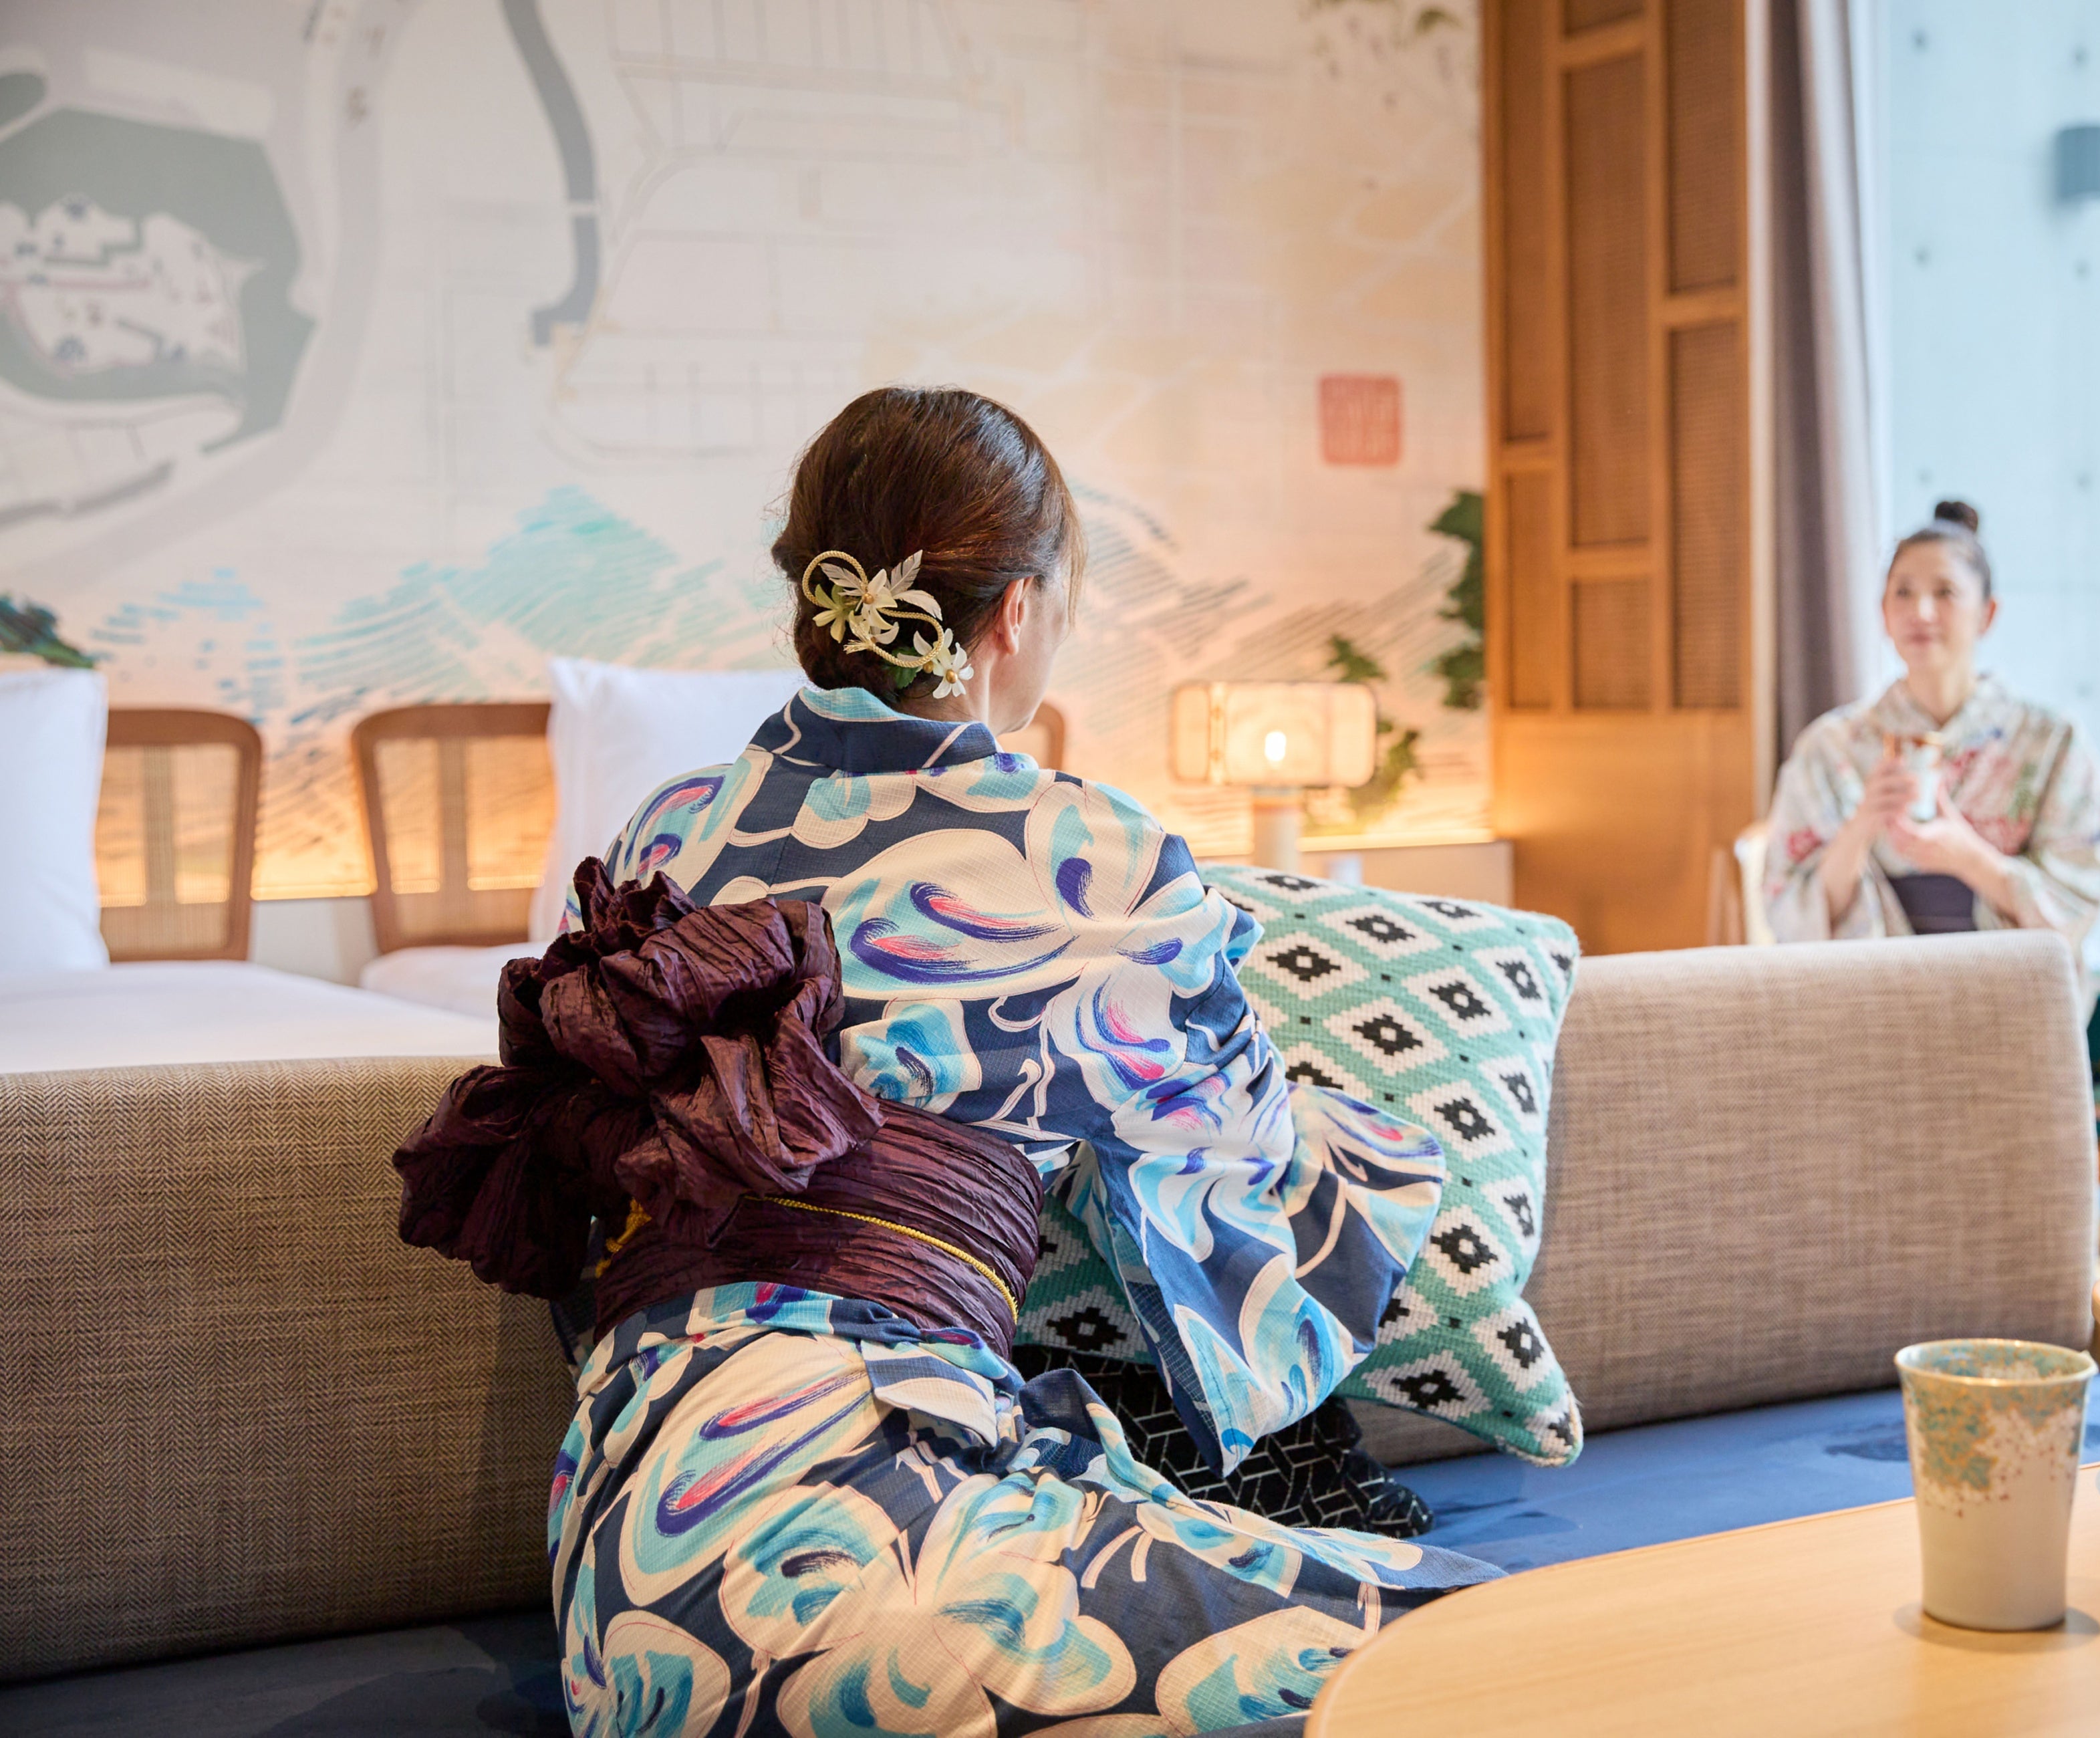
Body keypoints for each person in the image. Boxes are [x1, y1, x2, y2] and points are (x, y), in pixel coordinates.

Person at [396, 386, 1496, 1738]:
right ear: (1018, 610)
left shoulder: (657, 842)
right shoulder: (1093, 858)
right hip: (872, 1549)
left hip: (630, 1574)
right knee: (1500, 1653)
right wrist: (1392, 1148)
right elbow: (1246, 1202)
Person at [1762, 501, 2100, 1098]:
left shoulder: (2049, 742)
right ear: (1882, 613)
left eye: (1945, 593)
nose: (1922, 612)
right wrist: (1862, 825)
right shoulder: (1832, 746)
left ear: (1988, 613)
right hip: (1869, 1010)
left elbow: (2078, 890)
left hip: (2004, 1004)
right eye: (1903, 593)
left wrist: (1967, 857)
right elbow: (1788, 905)